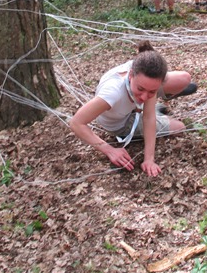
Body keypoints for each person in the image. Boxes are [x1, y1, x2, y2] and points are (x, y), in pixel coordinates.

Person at [69, 41, 196, 177]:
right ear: (130, 75)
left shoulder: (141, 66)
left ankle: (155, 104)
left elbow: (148, 117)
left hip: (131, 107)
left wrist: (149, 159)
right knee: (179, 127)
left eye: (152, 91)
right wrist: (109, 150)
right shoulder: (112, 93)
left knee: (183, 78)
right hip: (121, 123)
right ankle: (155, 108)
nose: (145, 96)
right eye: (140, 88)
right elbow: (76, 122)